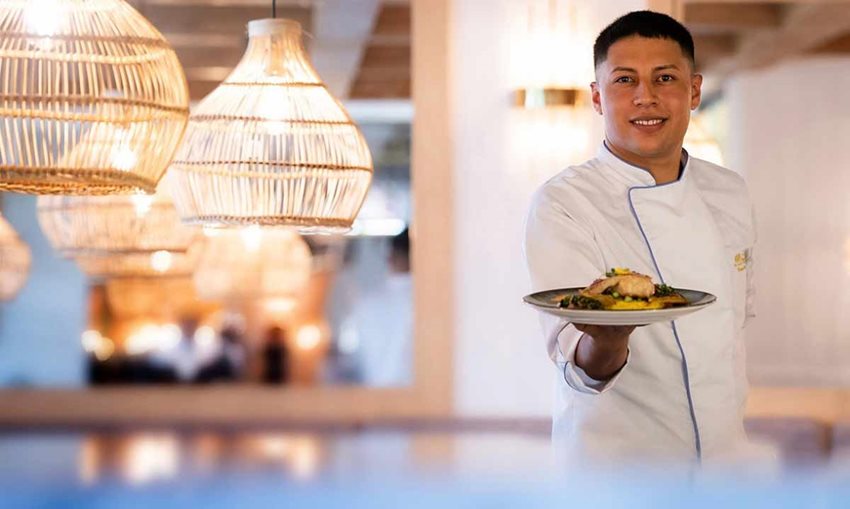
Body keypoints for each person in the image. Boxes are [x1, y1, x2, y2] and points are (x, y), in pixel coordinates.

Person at [524, 11, 757, 465]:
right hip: (618, 474)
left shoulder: (731, 192)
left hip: (726, 470)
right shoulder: (564, 201)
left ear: (694, 91)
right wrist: (609, 338)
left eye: (665, 77)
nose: (645, 97)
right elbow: (579, 364)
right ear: (597, 97)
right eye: (625, 80)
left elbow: (733, 330)